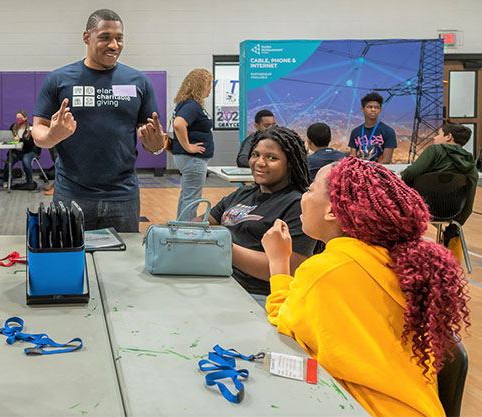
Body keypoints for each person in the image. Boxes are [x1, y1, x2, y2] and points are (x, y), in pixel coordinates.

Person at [261, 157, 469, 417]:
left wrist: (278, 261)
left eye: (310, 189)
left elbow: (283, 321)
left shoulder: (326, 270)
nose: (304, 197)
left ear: (332, 212)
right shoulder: (404, 263)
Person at [33, 8, 165, 232]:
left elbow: (154, 139)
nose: (113, 45)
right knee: (71, 263)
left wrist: (156, 147)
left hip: (123, 196)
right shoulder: (58, 80)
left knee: (123, 264)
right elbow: (38, 131)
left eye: (119, 38)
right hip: (72, 194)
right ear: (87, 37)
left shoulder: (139, 82)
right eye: (105, 37)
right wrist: (51, 137)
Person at [204, 126, 316, 304]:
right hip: (220, 282)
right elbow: (202, 223)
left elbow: (290, 268)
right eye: (255, 155)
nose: (260, 163)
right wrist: (177, 232)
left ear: (290, 162)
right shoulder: (242, 194)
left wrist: (222, 248)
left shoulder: (297, 205)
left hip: (258, 296)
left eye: (272, 158)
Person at [401, 122, 478, 259]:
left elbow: (410, 173)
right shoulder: (470, 162)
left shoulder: (434, 150)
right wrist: (456, 225)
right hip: (452, 213)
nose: (435, 138)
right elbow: (469, 203)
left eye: (439, 134)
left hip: (422, 210)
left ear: (448, 136)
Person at [171, 69, 214, 220]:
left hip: (189, 159)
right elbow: (178, 124)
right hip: (193, 159)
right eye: (209, 84)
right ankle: (186, 230)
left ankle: (180, 226)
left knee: (186, 195)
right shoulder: (192, 105)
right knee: (192, 198)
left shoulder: (185, 103)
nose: (211, 88)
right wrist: (188, 146)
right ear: (201, 85)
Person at [348, 92, 396, 163]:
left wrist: (371, 171)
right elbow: (352, 158)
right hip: (358, 171)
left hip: (378, 172)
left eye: (377, 107)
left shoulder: (388, 132)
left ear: (380, 110)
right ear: (362, 109)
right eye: (370, 107)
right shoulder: (355, 132)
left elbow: (387, 160)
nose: (373, 110)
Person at [3, 110, 39, 190]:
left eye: (20, 118)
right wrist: (11, 139)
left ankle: (30, 181)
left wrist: (20, 139)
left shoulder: (30, 127)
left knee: (26, 162)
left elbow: (31, 143)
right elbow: (9, 137)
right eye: (17, 118)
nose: (19, 120)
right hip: (16, 151)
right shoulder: (13, 126)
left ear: (25, 118)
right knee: (9, 162)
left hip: (28, 151)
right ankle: (6, 180)